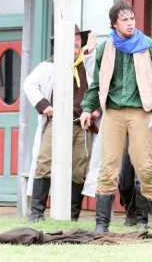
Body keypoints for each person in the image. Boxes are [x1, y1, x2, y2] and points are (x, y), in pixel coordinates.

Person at [80, 0, 152, 237]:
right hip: (112, 112)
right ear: (114, 23)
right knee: (108, 167)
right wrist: (87, 108)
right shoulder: (105, 48)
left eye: (132, 18)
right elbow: (96, 84)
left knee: (145, 166)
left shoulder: (149, 45)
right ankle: (102, 225)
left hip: (140, 111)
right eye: (125, 19)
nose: (130, 23)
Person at [24, 25, 99, 222]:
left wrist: (94, 110)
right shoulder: (50, 65)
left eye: (76, 45)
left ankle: (72, 215)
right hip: (56, 122)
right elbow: (29, 84)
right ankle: (37, 213)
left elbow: (100, 90)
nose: (73, 50)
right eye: (70, 45)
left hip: (81, 124)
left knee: (79, 169)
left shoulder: (89, 66)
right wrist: (44, 105)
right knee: (44, 161)